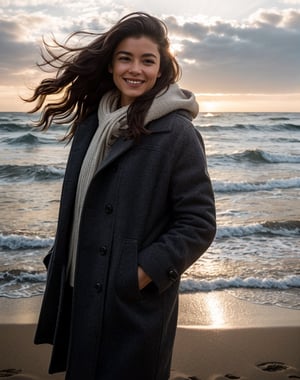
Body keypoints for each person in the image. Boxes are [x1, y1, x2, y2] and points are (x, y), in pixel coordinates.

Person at [26, 12, 216, 380]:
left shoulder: (177, 133)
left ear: (162, 70)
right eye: (126, 58)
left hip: (132, 302)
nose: (136, 69)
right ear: (112, 64)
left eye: (148, 60)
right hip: (83, 290)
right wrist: (62, 255)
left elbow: (198, 223)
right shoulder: (93, 124)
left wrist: (140, 274)